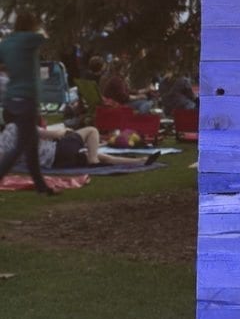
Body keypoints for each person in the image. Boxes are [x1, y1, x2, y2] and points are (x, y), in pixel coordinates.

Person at [0, 11, 52, 194]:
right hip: (26, 99)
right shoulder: (30, 39)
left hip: (11, 101)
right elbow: (47, 37)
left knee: (31, 143)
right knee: (21, 146)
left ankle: (41, 187)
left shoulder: (6, 44)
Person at [0, 122, 147, 170]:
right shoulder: (18, 126)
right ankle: (93, 161)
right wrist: (64, 130)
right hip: (58, 151)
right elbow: (56, 135)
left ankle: (139, 162)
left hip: (54, 165)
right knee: (91, 130)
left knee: (101, 156)